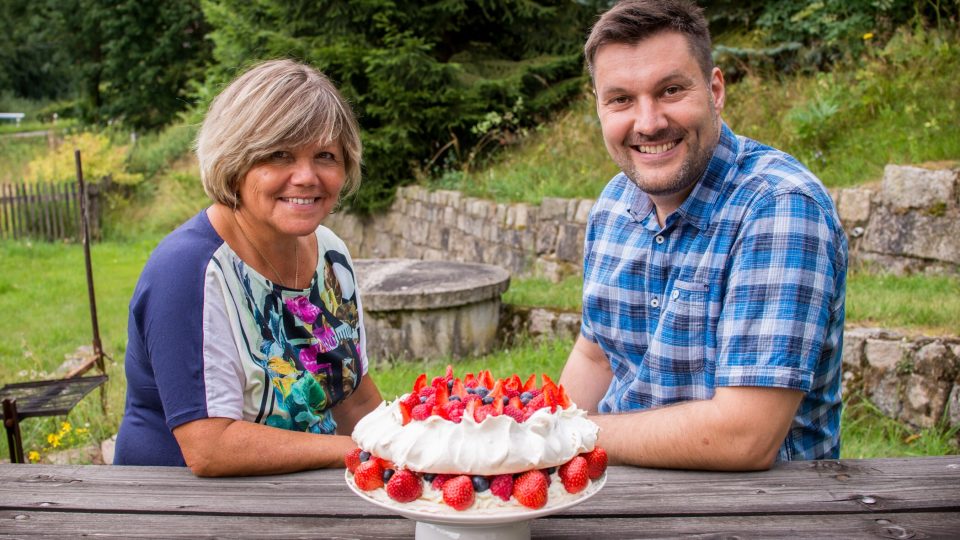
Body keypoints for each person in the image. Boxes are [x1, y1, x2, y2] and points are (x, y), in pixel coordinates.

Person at [559, 0, 847, 471]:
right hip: (619, 480)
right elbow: (597, 357)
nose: (648, 122)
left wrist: (565, 432)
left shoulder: (778, 207)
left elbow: (744, 438)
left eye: (671, 90)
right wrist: (536, 437)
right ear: (599, 107)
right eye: (621, 100)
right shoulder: (613, 203)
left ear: (715, 90)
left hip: (760, 508)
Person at [114, 59, 383, 476]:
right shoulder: (189, 271)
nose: (307, 176)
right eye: (279, 155)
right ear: (236, 161)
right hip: (178, 506)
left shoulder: (330, 253)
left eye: (325, 156)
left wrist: (408, 447)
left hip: (296, 490)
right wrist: (354, 450)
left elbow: (356, 400)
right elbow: (211, 446)